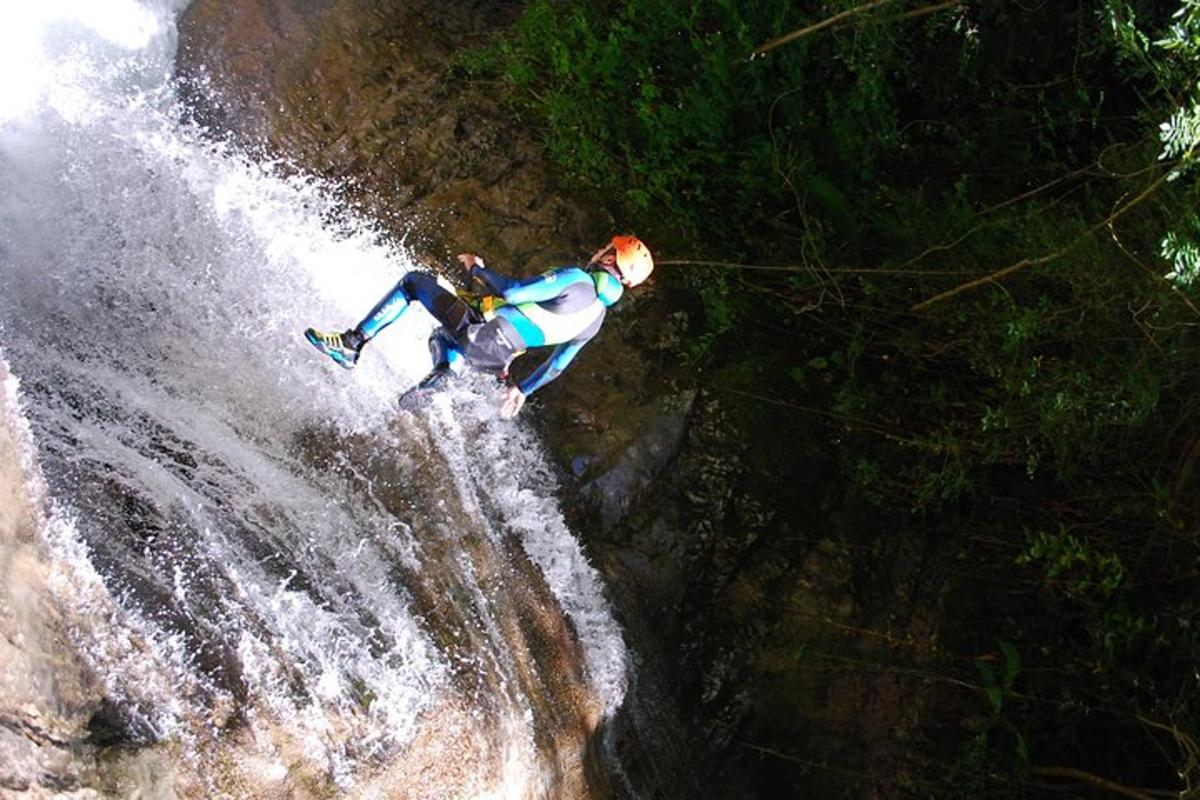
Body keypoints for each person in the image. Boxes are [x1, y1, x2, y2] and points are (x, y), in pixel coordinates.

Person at [304, 235, 654, 418]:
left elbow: (515, 292)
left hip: (481, 329)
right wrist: (523, 390)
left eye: (606, 248)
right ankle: (446, 372)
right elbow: (558, 366)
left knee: (414, 282)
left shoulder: (577, 279)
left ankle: (351, 344)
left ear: (611, 258)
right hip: (497, 360)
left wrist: (477, 269)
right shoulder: (595, 321)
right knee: (445, 336)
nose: (598, 250)